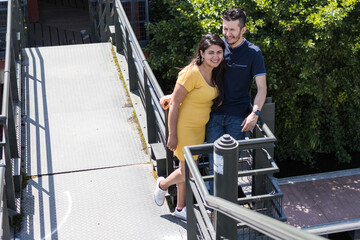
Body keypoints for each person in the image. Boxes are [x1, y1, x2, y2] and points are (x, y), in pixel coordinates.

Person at [153, 33, 226, 220]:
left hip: (198, 129)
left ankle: (179, 209)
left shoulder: (215, 72)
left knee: (184, 169)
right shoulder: (192, 72)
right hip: (184, 128)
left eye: (219, 52)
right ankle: (162, 186)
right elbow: (176, 103)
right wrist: (172, 134)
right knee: (188, 172)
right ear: (201, 53)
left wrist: (170, 95)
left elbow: (186, 96)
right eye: (211, 52)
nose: (215, 56)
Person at [206, 8, 267, 193]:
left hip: (237, 119)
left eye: (232, 30)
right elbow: (196, 70)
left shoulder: (253, 53)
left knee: (230, 166)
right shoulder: (217, 48)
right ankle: (212, 207)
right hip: (213, 115)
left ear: (243, 30)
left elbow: (262, 88)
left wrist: (255, 113)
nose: (227, 34)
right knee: (213, 163)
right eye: (225, 28)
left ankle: (227, 207)